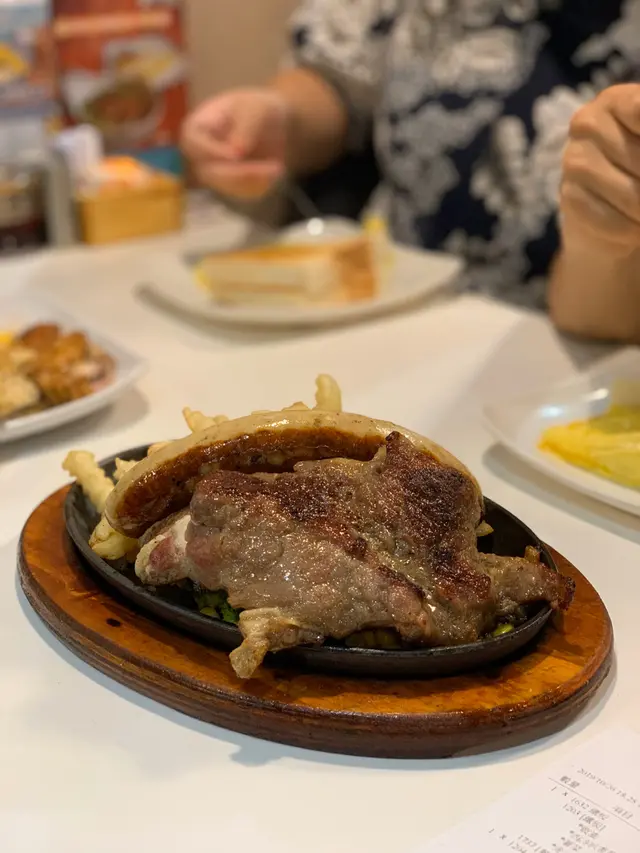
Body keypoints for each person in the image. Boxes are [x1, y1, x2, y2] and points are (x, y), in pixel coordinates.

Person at [181, 1, 640, 341]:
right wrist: (280, 116)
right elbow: (338, 76)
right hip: (386, 306)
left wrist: (606, 229)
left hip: (560, 340)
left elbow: (599, 317)